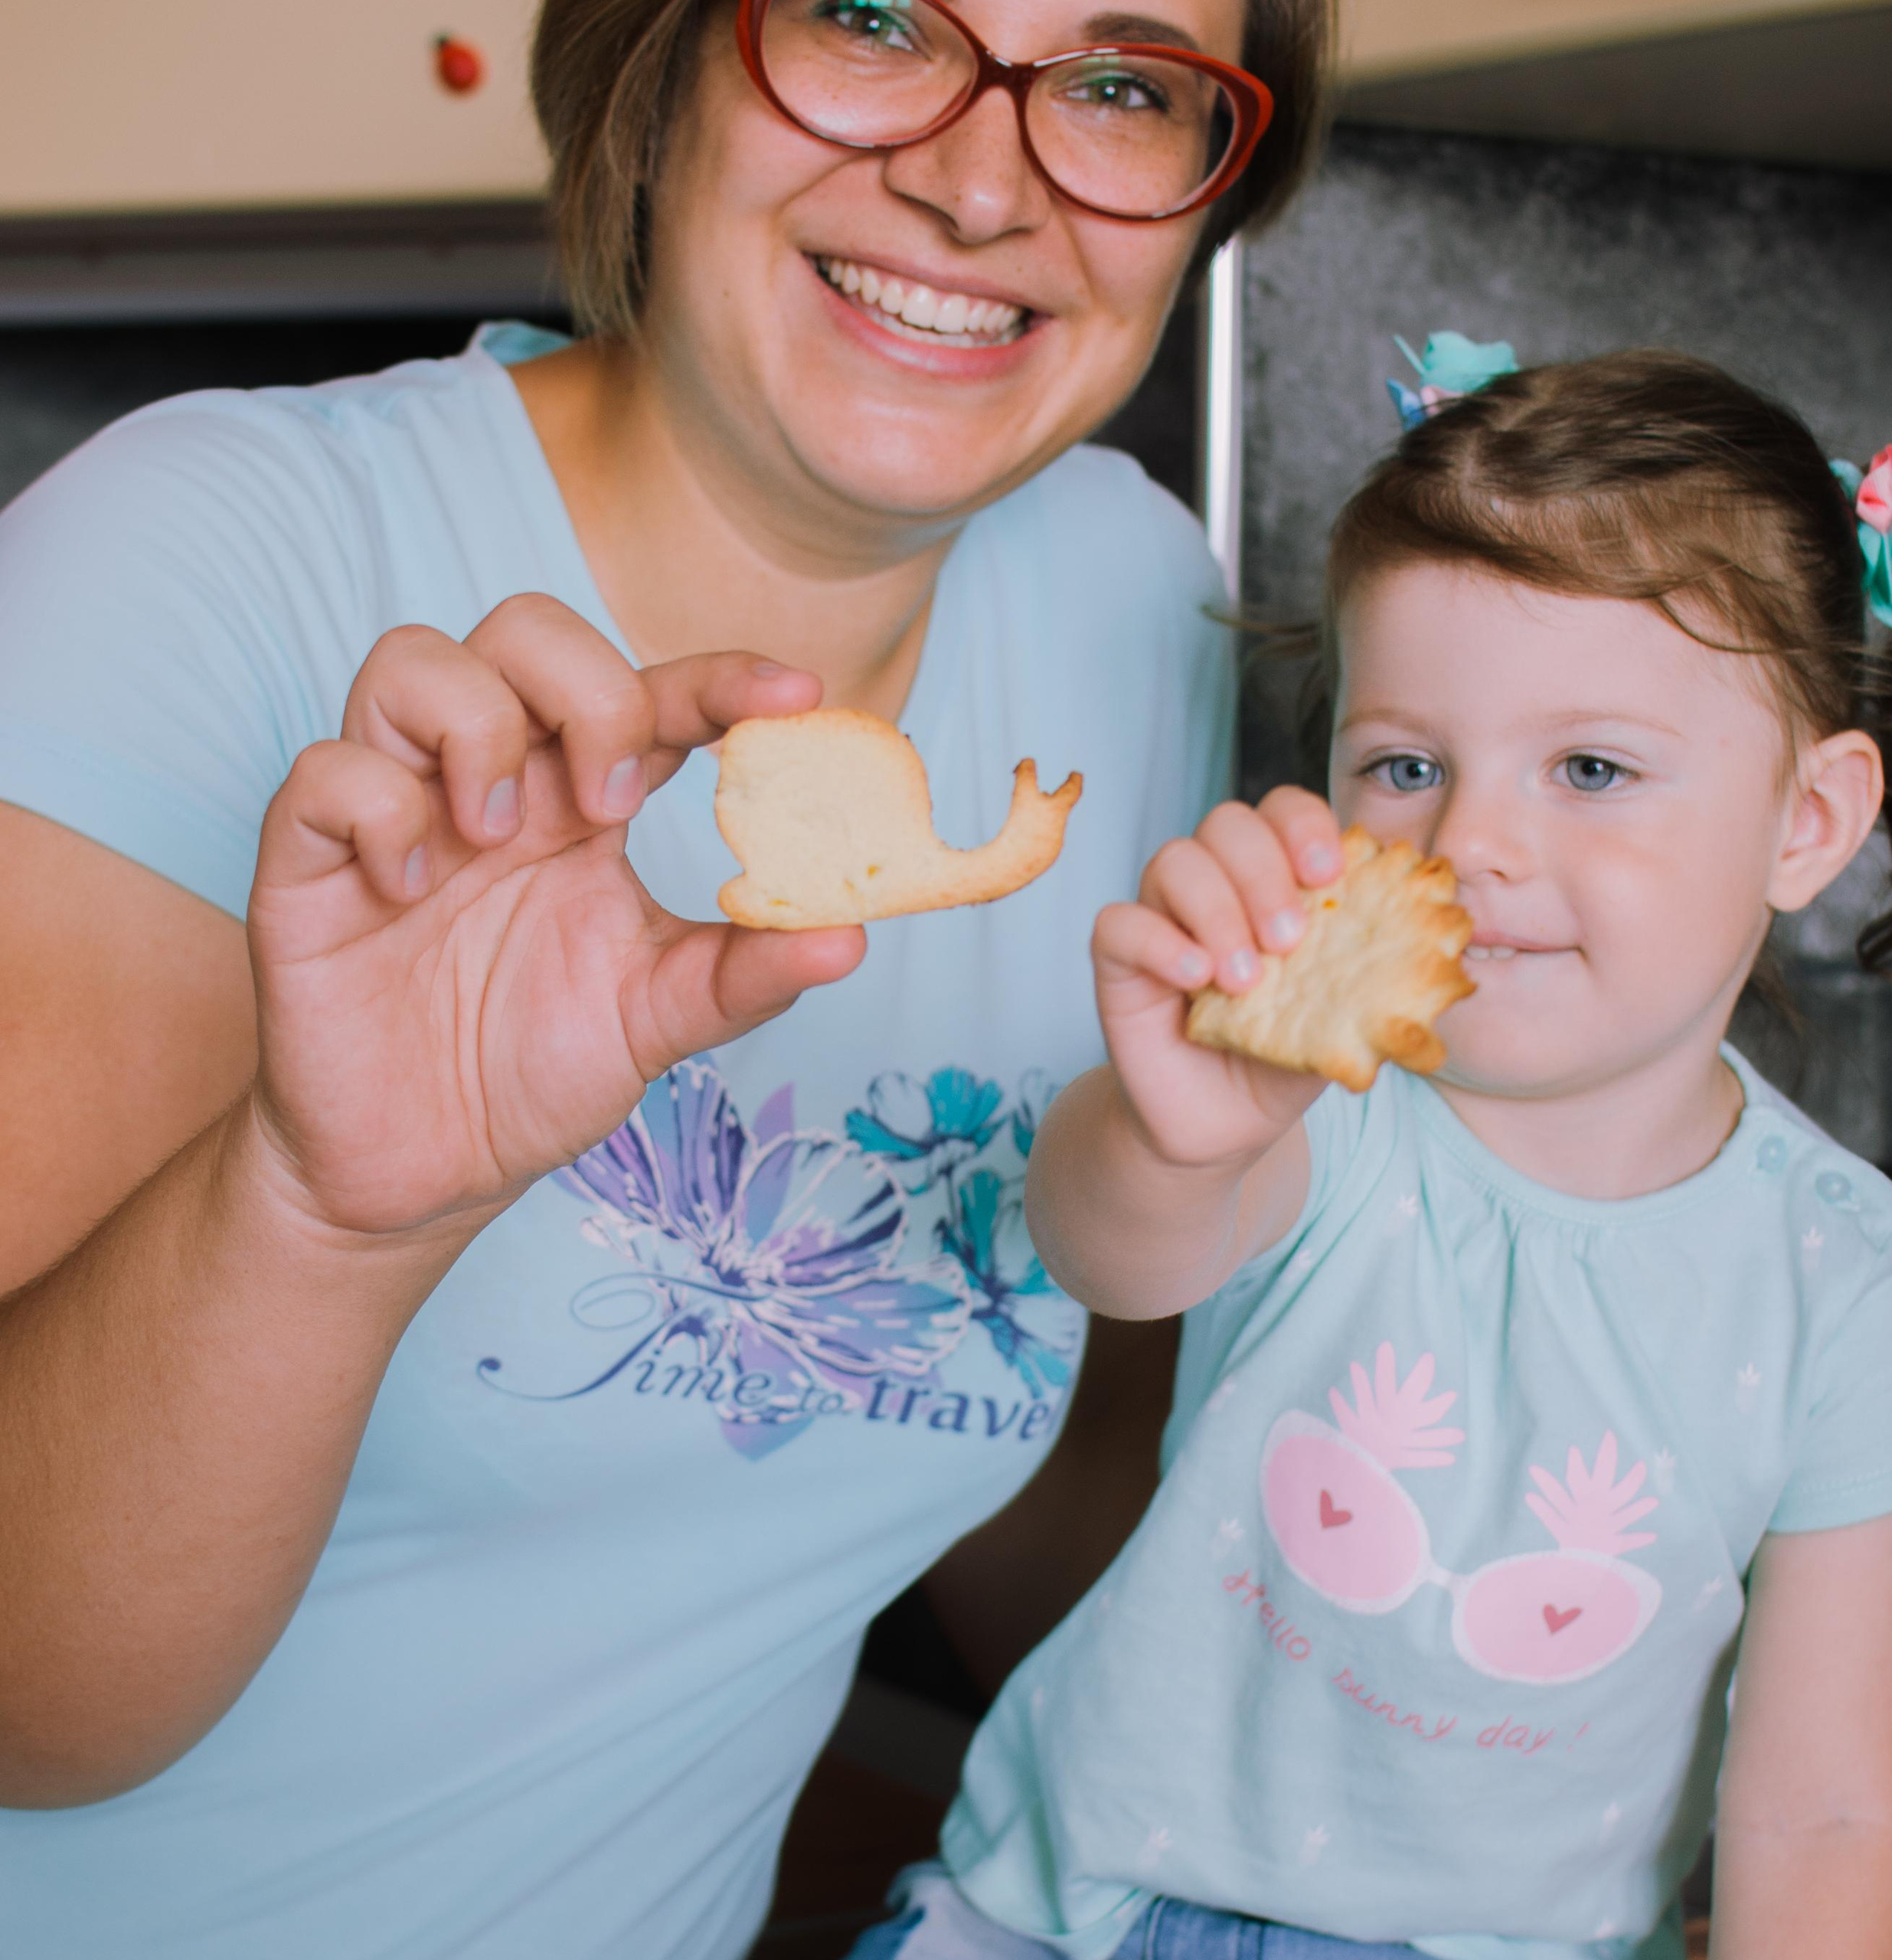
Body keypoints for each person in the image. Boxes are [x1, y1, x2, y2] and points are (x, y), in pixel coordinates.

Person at [0, 0, 1332, 1952]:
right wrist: (325, 1207)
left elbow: (1060, 1513)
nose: (979, 183)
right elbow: (28, 1704)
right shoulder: (209, 552)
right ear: (659, 60)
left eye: (1120, 85)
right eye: (872, 18)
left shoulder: (1132, 607)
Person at [848, 356, 1892, 1959]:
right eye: (1404, 765)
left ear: (1805, 819)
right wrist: (1177, 1123)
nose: (1465, 846)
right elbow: (1114, 1245)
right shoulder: (1334, 1095)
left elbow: (1822, 1809)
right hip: (1069, 1914)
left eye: (1586, 767)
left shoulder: (1839, 1274)